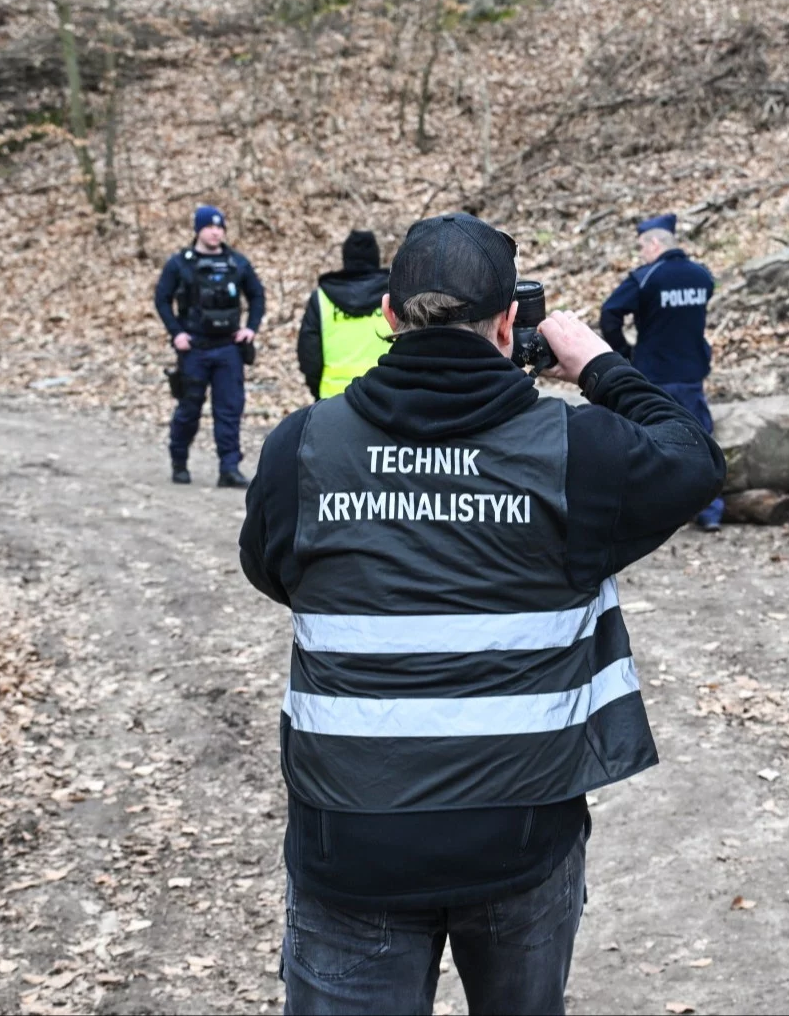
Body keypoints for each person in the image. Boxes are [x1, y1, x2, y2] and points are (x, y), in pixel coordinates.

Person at [238, 212, 725, 1016]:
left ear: (388, 320)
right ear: (509, 325)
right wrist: (599, 364)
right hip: (521, 835)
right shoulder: (576, 452)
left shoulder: (303, 448)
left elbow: (275, 571)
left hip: (350, 842)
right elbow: (693, 458)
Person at [599, 213, 724, 530]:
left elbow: (610, 313)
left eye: (642, 247)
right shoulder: (701, 276)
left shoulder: (645, 278)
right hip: (691, 372)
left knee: (649, 439)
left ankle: (652, 511)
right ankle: (710, 512)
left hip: (653, 373)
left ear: (654, 243)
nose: (641, 253)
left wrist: (624, 352)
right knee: (701, 439)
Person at [154, 204, 265, 487]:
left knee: (229, 410)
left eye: (220, 227)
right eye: (210, 227)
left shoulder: (237, 263)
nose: (216, 232)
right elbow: (162, 299)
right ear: (198, 230)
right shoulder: (180, 264)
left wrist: (250, 329)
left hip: (228, 349)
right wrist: (176, 333)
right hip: (194, 348)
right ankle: (179, 461)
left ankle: (229, 468)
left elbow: (256, 296)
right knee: (188, 409)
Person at [297, 229, 392, 400]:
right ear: (376, 258)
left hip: (332, 400)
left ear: (345, 258)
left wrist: (317, 391)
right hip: (384, 398)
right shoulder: (393, 295)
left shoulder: (321, 297)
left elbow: (309, 354)